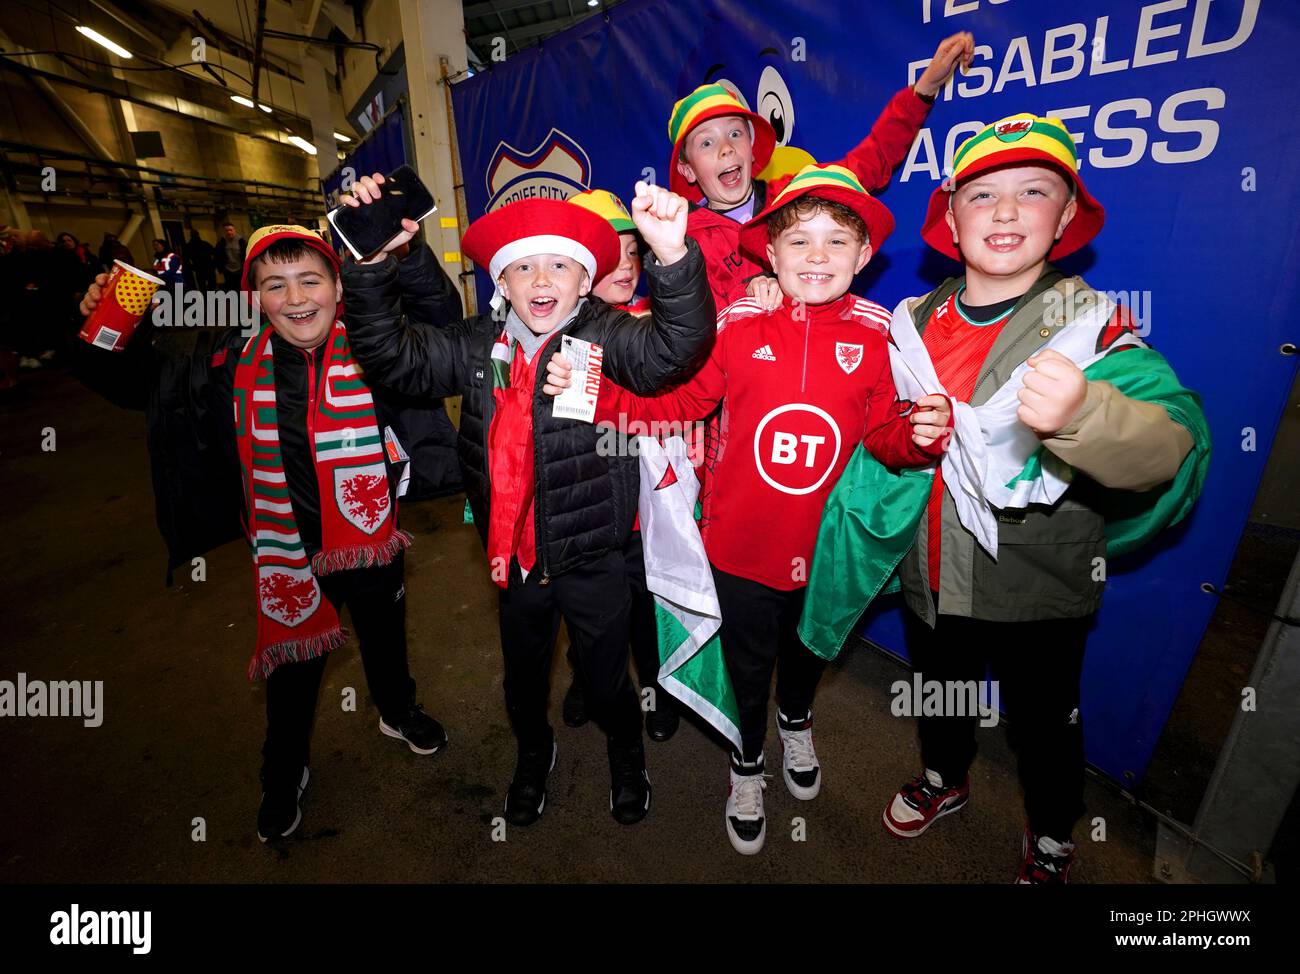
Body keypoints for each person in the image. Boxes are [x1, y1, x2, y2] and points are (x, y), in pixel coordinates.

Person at [801, 115, 1211, 883]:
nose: (1006, 211)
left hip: (1039, 586)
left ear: (1065, 216)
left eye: (1033, 192)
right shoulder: (917, 320)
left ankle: (1053, 835)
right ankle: (946, 778)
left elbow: (1173, 442)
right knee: (943, 694)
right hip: (930, 571)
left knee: (1046, 724)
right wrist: (907, 436)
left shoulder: (1091, 323)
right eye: (982, 195)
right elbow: (882, 434)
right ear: (951, 220)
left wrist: (1086, 412)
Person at [542, 164, 952, 853]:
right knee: (746, 666)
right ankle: (747, 761)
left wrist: (915, 439)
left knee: (807, 655)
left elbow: (880, 436)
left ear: (865, 255)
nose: (816, 257)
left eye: (835, 242)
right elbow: (679, 405)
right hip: (736, 547)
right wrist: (592, 397)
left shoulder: (881, 335)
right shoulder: (738, 322)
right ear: (770, 253)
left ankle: (797, 723)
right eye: (798, 242)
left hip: (825, 549)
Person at [338, 172, 716, 826]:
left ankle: (627, 755)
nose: (542, 280)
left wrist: (674, 260)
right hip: (511, 559)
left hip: (593, 552)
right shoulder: (477, 345)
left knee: (606, 679)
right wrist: (370, 270)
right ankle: (533, 754)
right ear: (501, 284)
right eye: (525, 268)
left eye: (560, 266)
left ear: (584, 279)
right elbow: (392, 360)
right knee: (522, 680)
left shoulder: (605, 335)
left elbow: (675, 354)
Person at [75, 223, 449, 843]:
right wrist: (107, 319)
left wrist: (404, 256)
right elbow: (133, 384)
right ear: (253, 297)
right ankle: (284, 771)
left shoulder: (378, 346)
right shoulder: (229, 361)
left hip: (370, 535)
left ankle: (396, 709)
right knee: (292, 672)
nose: (297, 298)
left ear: (339, 286)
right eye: (275, 285)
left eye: (311, 280)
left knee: (385, 635)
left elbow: (441, 320)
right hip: (288, 550)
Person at [668, 32, 974, 311]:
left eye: (735, 134)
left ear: (751, 144)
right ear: (688, 169)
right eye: (706, 142)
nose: (725, 148)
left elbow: (872, 158)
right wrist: (751, 292)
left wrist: (924, 89)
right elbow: (690, 327)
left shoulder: (797, 193)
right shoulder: (681, 240)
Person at [557, 188, 678, 740]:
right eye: (612, 255)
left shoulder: (664, 322)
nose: (627, 267)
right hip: (589, 507)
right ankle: (587, 677)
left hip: (652, 505)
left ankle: (658, 689)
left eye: (634, 252)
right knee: (590, 614)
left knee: (648, 609)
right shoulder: (562, 331)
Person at [215, 222, 246, 289]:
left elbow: (246, 255)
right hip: (228, 270)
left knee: (242, 288)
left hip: (240, 270)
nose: (229, 232)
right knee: (231, 288)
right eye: (226, 230)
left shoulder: (241, 241)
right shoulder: (221, 242)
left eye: (231, 230)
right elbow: (218, 256)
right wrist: (221, 269)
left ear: (234, 230)